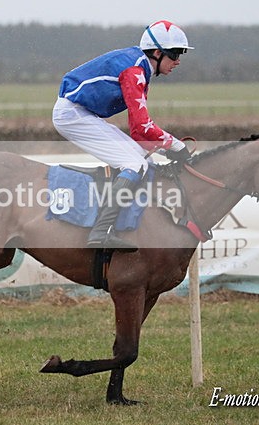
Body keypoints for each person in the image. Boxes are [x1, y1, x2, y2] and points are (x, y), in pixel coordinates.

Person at [52, 20, 194, 252]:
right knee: (134, 164)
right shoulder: (134, 71)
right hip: (72, 114)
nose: (178, 61)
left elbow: (140, 133)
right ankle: (101, 230)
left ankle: (130, 221)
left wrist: (167, 147)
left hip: (83, 112)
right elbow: (141, 127)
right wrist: (176, 146)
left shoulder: (139, 65)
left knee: (143, 159)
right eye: (175, 54)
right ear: (157, 53)